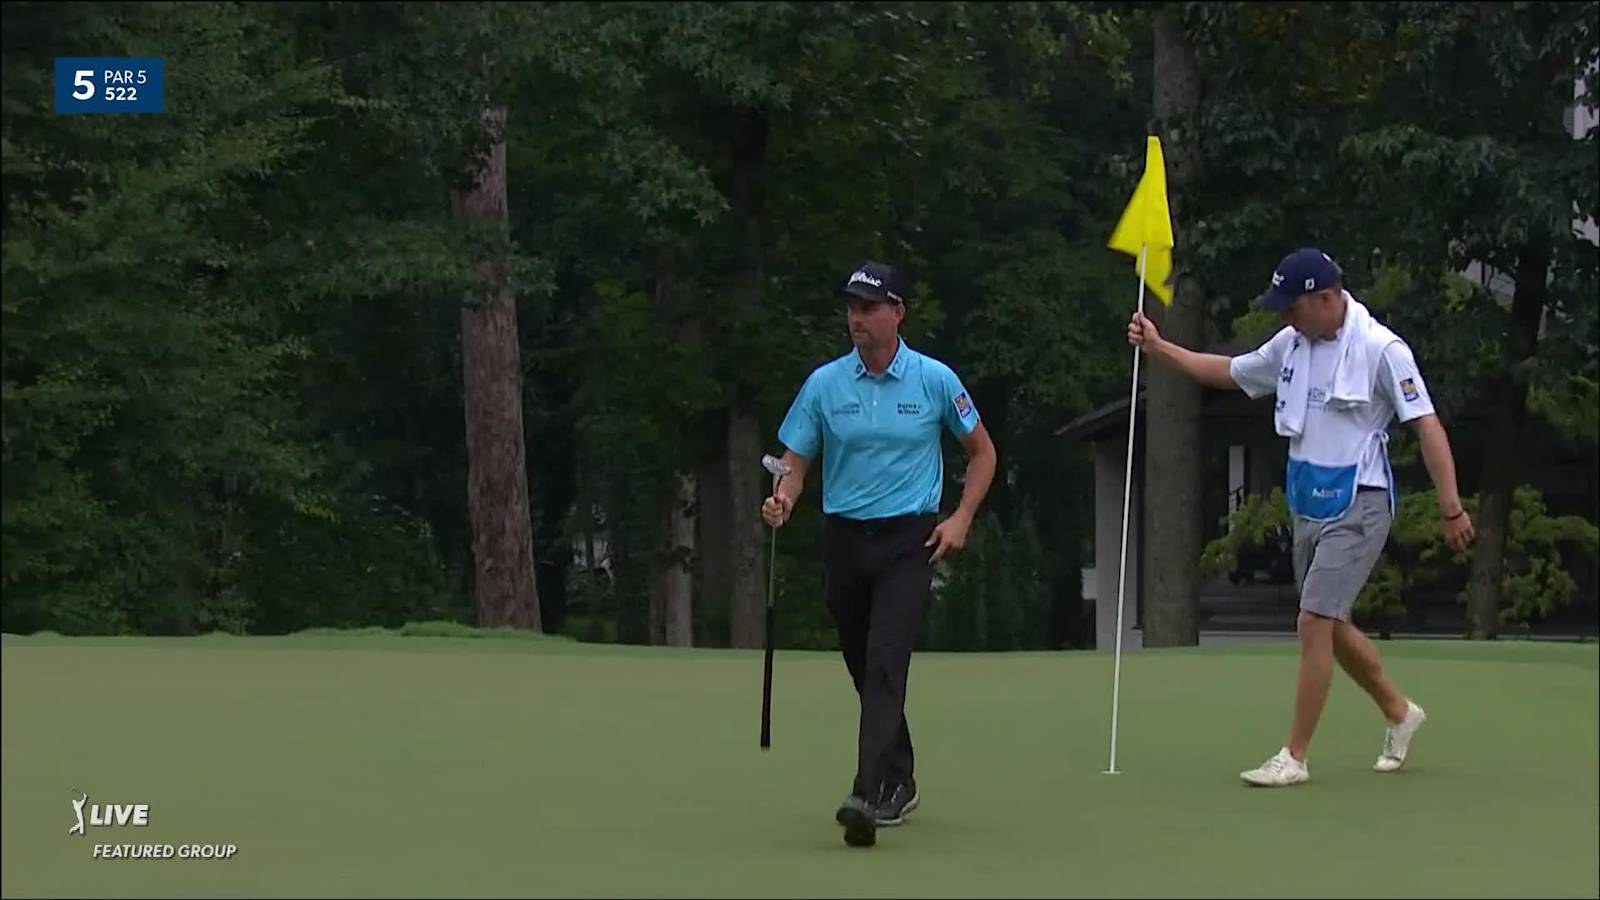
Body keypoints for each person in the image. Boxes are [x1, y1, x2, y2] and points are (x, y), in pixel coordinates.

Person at [1127, 247, 1476, 787]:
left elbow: (1426, 425)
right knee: (1329, 625)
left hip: (1360, 500)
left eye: (1294, 306)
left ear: (1328, 297)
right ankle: (1399, 712)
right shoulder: (1291, 344)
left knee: (1312, 619)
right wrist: (1159, 347)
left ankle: (1294, 756)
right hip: (1308, 499)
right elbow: (1227, 370)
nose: (1286, 316)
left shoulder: (1383, 350)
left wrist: (1451, 507)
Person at [762, 259, 997, 846]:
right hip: (843, 540)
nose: (857, 318)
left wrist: (961, 518)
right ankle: (901, 776)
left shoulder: (935, 380)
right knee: (864, 666)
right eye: (851, 308)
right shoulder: (824, 385)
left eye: (869, 308)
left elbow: (983, 453)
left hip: (907, 542)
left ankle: (868, 793)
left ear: (898, 313)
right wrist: (784, 497)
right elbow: (795, 460)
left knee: (886, 659)